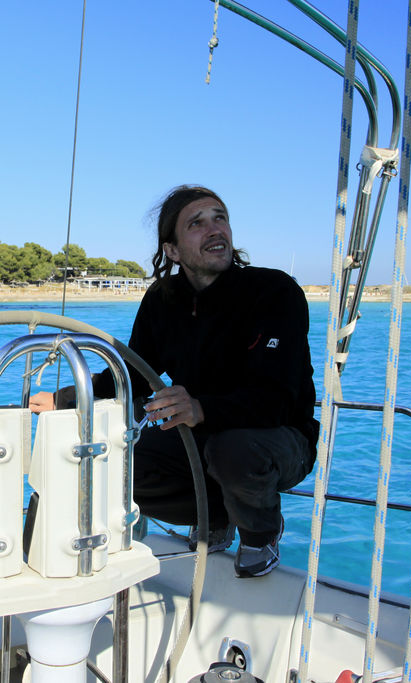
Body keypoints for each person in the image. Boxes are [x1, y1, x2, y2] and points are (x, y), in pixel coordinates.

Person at [30, 185, 318, 577]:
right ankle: (218, 512)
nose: (215, 230)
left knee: (234, 449)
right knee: (118, 463)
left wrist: (201, 409)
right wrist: (68, 398)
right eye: (197, 223)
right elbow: (133, 375)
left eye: (220, 218)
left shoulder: (274, 292)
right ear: (173, 250)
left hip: (278, 437)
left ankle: (260, 531)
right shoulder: (164, 300)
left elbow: (278, 399)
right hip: (198, 435)